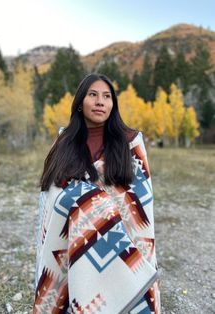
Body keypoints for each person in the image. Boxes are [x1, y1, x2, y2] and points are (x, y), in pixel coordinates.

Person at [33, 73, 161, 313]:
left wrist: (92, 204)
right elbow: (51, 194)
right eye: (93, 95)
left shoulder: (130, 142)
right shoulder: (64, 141)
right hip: (68, 237)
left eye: (106, 96)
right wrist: (83, 201)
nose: (100, 101)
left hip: (119, 240)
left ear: (113, 104)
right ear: (80, 102)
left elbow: (141, 204)